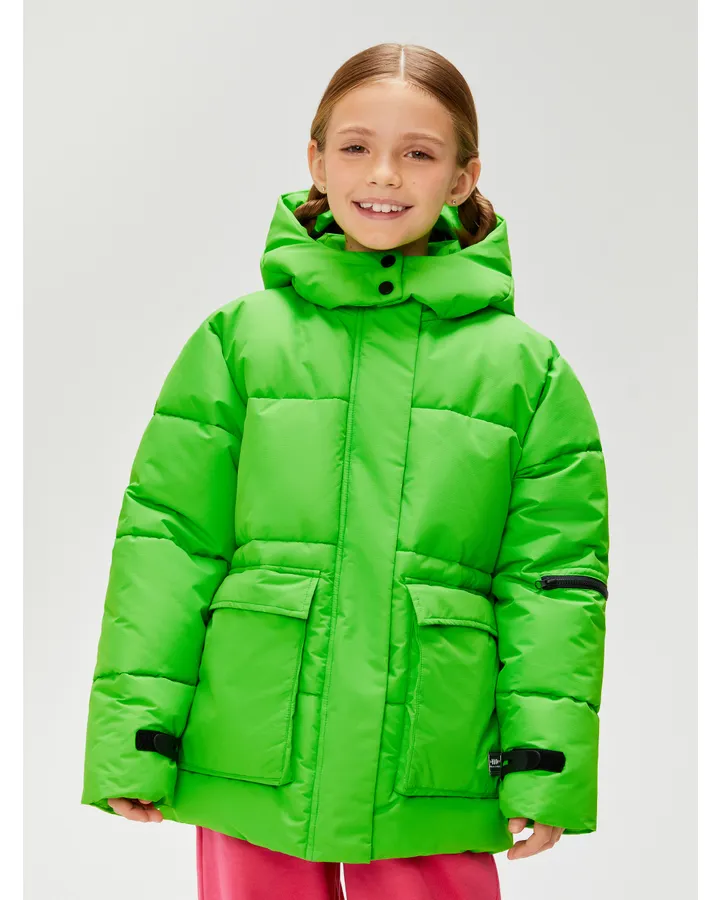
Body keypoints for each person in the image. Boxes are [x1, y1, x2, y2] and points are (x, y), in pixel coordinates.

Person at [80, 42, 610, 900]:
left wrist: (543, 765)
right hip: (251, 741)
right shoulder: (240, 343)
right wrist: (134, 735)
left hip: (431, 758)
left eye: (419, 153)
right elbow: (168, 546)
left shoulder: (525, 372)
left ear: (464, 177)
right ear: (317, 162)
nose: (385, 174)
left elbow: (552, 585)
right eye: (357, 146)